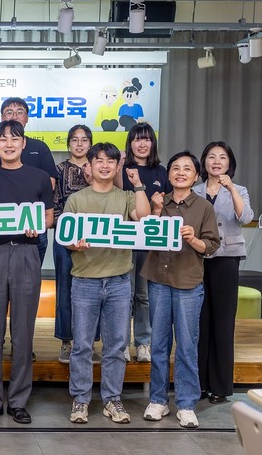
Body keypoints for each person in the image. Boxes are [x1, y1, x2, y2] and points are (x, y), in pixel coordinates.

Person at [0, 120, 54, 424]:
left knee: (23, 333)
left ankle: (18, 400)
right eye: (2, 139)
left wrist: (38, 225)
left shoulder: (39, 176)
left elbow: (49, 217)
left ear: (24, 143)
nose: (9, 144)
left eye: (15, 138)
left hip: (26, 253)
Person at [64, 143, 151, 425]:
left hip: (119, 281)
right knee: (82, 346)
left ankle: (112, 399)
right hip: (85, 282)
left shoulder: (126, 197)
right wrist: (75, 245)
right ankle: (81, 399)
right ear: (88, 167)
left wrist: (138, 185)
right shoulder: (76, 200)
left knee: (116, 345)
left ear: (116, 167)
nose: (104, 165)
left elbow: (144, 219)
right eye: (98, 160)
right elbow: (66, 238)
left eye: (110, 161)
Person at [141, 151, 220, 429]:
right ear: (168, 174)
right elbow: (143, 237)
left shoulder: (204, 207)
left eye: (187, 169)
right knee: (159, 345)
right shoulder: (158, 202)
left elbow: (211, 246)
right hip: (158, 281)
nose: (181, 173)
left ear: (196, 176)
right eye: (175, 168)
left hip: (188, 283)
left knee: (186, 346)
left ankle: (186, 404)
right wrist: (155, 212)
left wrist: (193, 239)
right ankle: (158, 400)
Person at [193, 142, 254, 403]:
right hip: (197, 258)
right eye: (211, 157)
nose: (216, 161)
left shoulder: (239, 190)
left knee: (223, 322)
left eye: (222, 157)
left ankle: (219, 386)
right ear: (204, 162)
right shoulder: (194, 190)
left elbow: (245, 217)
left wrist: (231, 189)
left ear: (229, 163)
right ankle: (199, 383)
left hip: (227, 259)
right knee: (200, 323)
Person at [114, 122, 170, 363]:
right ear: (130, 143)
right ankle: (121, 344)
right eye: (137, 139)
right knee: (123, 295)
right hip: (125, 240)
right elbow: (117, 196)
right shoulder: (123, 169)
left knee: (143, 295)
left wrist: (157, 209)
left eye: (146, 139)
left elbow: (167, 204)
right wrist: (119, 166)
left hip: (150, 240)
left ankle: (143, 343)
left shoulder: (160, 171)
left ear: (152, 143)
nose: (142, 144)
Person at [53, 125, 100, 365]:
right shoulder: (59, 169)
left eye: (84, 140)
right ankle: (66, 341)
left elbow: (106, 197)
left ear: (90, 143)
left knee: (93, 289)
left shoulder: (98, 168)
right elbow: (53, 203)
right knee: (65, 288)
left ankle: (89, 342)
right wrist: (66, 229)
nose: (79, 144)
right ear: (68, 143)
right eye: (74, 140)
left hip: (95, 238)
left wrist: (93, 179)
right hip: (65, 236)